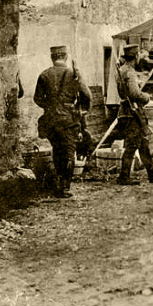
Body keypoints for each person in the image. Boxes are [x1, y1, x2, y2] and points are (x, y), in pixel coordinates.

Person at [33, 45, 92, 198]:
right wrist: (82, 110)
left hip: (50, 120)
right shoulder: (74, 74)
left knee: (57, 151)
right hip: (68, 119)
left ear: (52, 57)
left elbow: (37, 99)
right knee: (69, 152)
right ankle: (64, 187)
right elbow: (87, 95)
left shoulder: (44, 75)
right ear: (65, 56)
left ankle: (57, 185)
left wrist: (51, 106)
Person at [115, 44, 153, 186]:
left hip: (127, 112)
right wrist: (146, 97)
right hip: (132, 113)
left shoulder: (122, 70)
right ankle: (123, 176)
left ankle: (152, 172)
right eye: (140, 56)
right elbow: (134, 93)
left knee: (143, 144)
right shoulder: (130, 72)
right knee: (132, 145)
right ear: (136, 57)